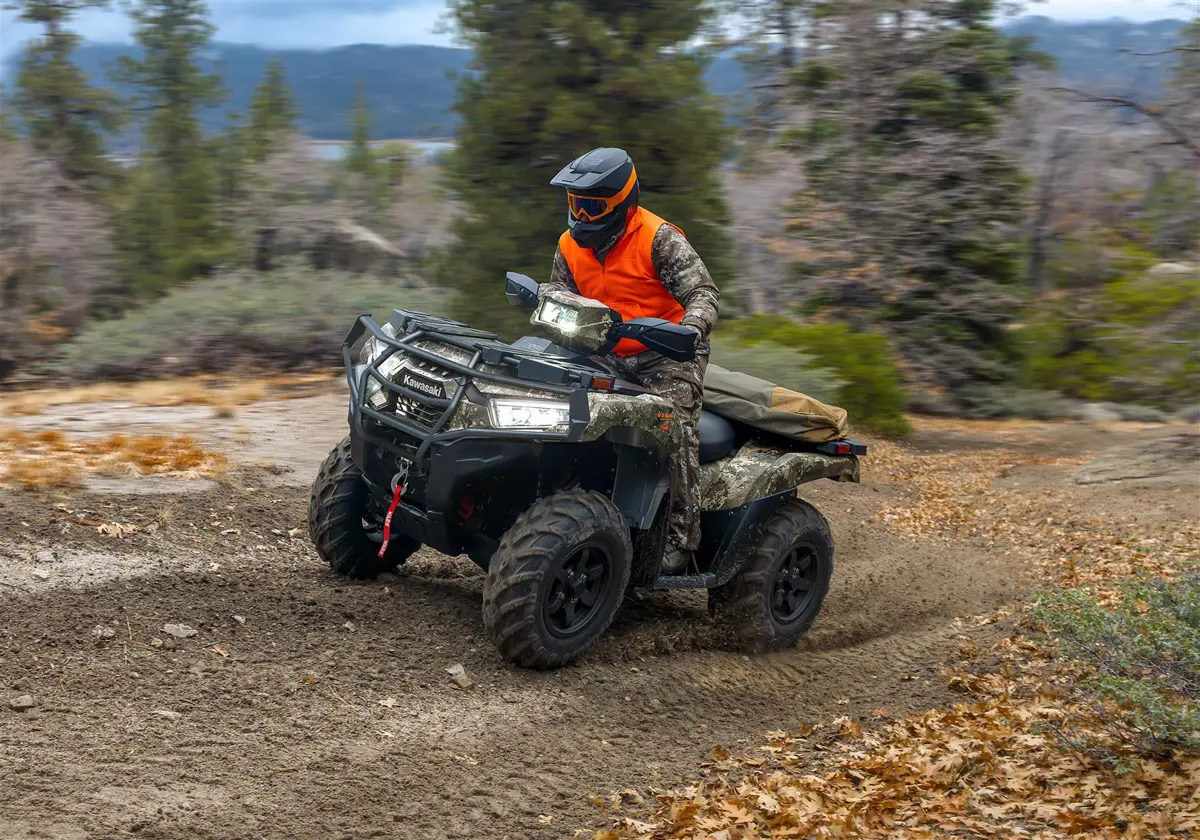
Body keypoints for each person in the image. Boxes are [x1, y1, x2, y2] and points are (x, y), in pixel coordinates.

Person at [544, 147, 719, 573]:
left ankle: (680, 536)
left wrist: (690, 330)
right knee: (544, 393)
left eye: (592, 207)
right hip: (600, 351)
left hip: (665, 356)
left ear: (623, 202)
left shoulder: (659, 239)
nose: (582, 217)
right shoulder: (569, 245)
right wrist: (549, 300)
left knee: (672, 427)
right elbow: (558, 291)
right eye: (576, 205)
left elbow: (704, 294)